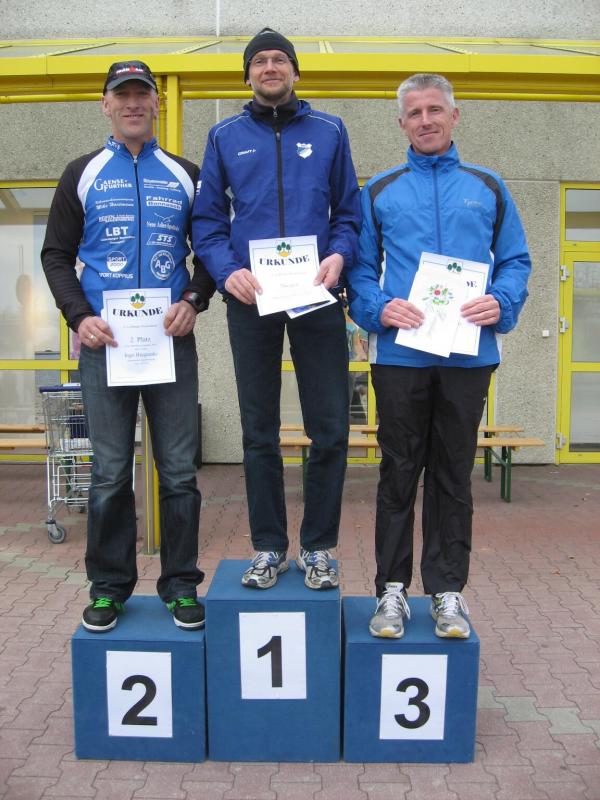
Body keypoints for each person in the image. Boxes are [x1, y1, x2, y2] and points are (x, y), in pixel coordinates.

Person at [347, 73, 531, 639]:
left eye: (435, 110)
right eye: (414, 113)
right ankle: (392, 590)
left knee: (453, 475)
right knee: (398, 473)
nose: (425, 120)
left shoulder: (488, 186)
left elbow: (516, 261)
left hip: (467, 358)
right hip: (401, 357)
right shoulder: (379, 190)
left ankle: (447, 591)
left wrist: (502, 301)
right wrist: (379, 308)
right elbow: (358, 270)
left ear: (455, 116)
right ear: (401, 123)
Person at [42, 61, 215, 632]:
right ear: (106, 105)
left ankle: (181, 584)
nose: (134, 103)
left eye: (143, 94)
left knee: (179, 471)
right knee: (111, 472)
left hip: (169, 342)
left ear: (157, 103)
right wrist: (79, 315)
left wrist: (193, 299)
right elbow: (56, 255)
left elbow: (212, 248)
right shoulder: (81, 173)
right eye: (123, 95)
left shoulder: (186, 174)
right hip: (105, 344)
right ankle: (109, 588)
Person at [192, 28, 361, 590]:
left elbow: (349, 213)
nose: (270, 67)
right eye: (259, 60)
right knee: (258, 429)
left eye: (280, 59)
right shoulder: (224, 136)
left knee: (330, 427)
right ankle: (268, 546)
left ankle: (319, 547)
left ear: (295, 71)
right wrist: (227, 271)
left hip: (316, 292)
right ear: (247, 75)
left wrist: (339, 256)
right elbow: (207, 221)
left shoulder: (330, 131)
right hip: (253, 296)